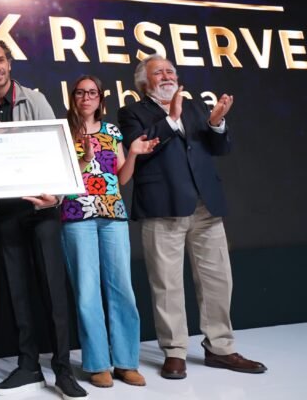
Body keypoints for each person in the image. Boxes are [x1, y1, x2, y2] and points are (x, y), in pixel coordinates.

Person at [117, 55, 266, 379]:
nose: (167, 76)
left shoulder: (195, 107)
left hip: (205, 206)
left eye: (170, 71)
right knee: (167, 284)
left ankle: (220, 348)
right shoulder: (132, 113)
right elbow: (140, 147)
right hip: (162, 207)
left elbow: (218, 148)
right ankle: (174, 352)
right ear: (144, 82)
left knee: (218, 280)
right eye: (159, 72)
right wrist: (171, 119)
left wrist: (216, 124)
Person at [0, 40, 87, 400]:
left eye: (1, 60)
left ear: (10, 63)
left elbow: (59, 149)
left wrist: (58, 195)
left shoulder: (34, 100)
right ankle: (28, 366)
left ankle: (63, 369)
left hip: (41, 209)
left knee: (53, 290)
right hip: (4, 211)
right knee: (17, 292)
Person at [60, 75, 158, 388]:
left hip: (113, 213)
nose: (86, 97)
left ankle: (127, 362)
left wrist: (133, 153)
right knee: (87, 291)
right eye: (80, 92)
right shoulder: (62, 132)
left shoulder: (112, 131)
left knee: (122, 289)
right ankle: (97, 363)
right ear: (73, 98)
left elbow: (121, 177)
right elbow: (60, 177)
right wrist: (86, 159)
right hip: (77, 214)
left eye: (92, 93)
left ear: (100, 99)